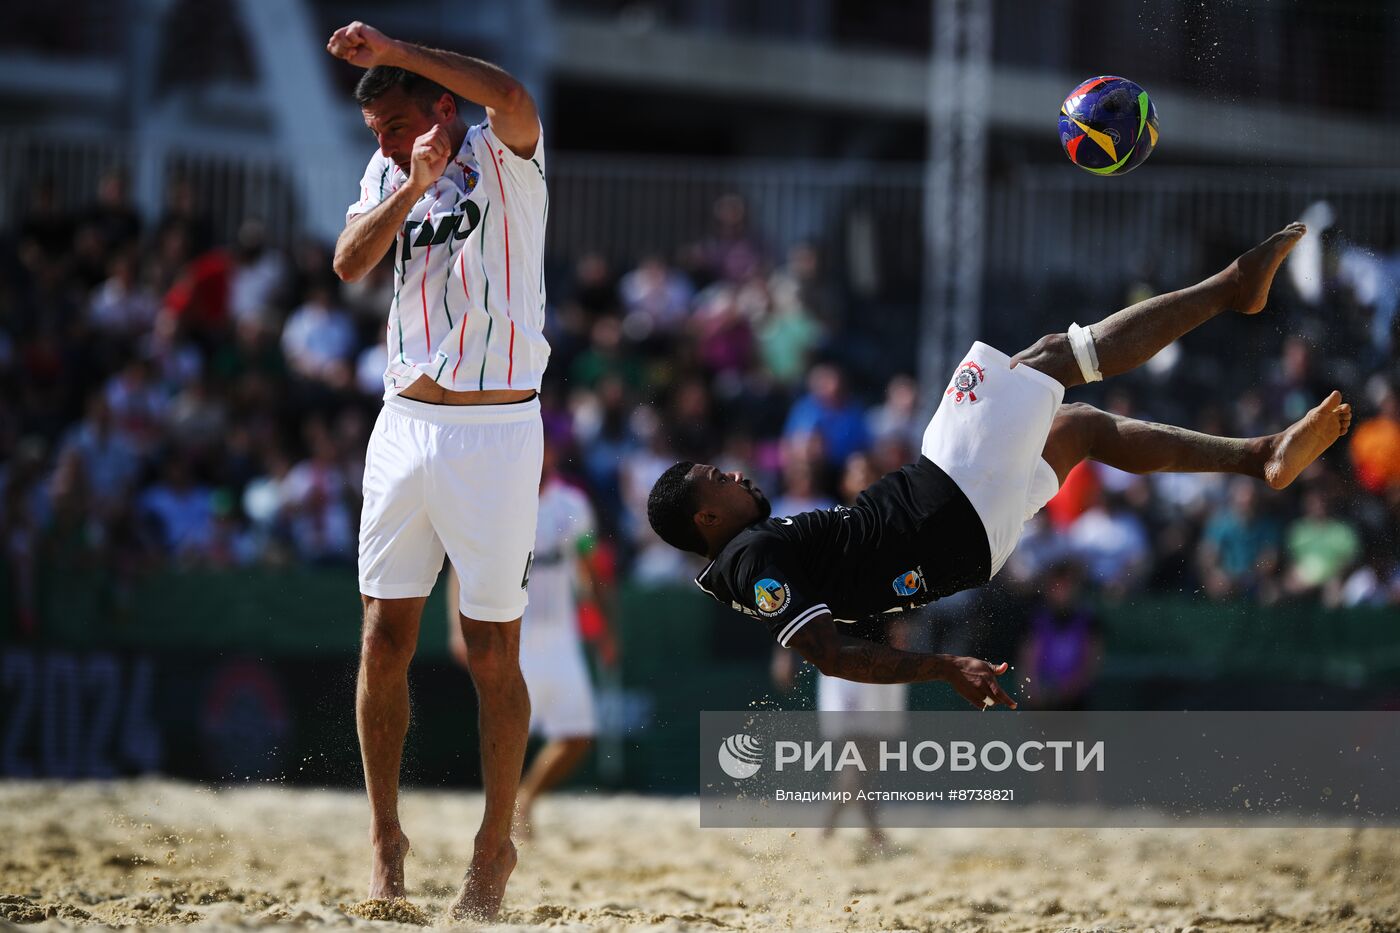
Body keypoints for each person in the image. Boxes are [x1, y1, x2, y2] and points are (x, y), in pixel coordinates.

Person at [647, 224, 1353, 709]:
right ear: (705, 516)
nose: (738, 475)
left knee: (1080, 430)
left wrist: (933, 656)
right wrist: (942, 665)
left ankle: (1260, 456)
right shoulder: (747, 558)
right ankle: (1234, 288)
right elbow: (830, 654)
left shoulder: (746, 558)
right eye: (721, 480)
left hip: (966, 539)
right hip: (945, 502)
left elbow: (837, 629)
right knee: (1052, 357)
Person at [326, 20, 549, 920]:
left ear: (439, 107)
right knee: (385, 636)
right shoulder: (388, 170)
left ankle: (495, 845)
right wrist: (404, 181)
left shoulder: (507, 155)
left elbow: (513, 93)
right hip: (405, 424)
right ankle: (386, 840)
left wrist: (395, 52)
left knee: (493, 650)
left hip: (497, 430)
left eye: (394, 124)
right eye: (375, 132)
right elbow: (347, 264)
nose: (380, 142)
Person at [446, 437, 614, 838]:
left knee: (577, 734)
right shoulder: (496, 499)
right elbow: (460, 567)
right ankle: (499, 821)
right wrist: (457, 628)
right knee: (507, 730)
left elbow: (591, 567)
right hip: (511, 633)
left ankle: (525, 800)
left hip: (561, 637)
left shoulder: (572, 505)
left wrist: (604, 629)